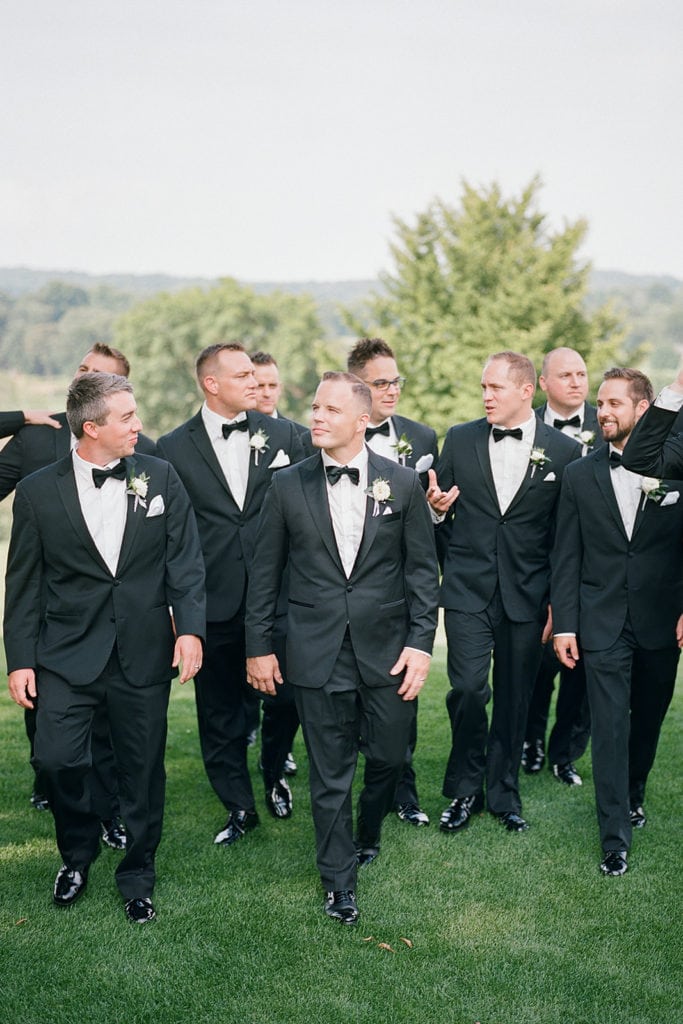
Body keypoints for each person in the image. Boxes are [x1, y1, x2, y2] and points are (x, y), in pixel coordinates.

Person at [4, 373, 205, 921]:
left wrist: (189, 628)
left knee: (142, 770)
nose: (139, 425)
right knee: (57, 759)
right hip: (66, 655)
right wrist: (20, 659)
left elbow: (184, 561)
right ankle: (76, 854)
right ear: (91, 428)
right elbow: (24, 582)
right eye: (127, 417)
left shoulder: (161, 477)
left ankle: (138, 873)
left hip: (142, 652)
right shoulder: (40, 491)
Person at [245, 371, 439, 924]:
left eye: (330, 410)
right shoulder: (286, 486)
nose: (317, 417)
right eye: (314, 408)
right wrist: (259, 647)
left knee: (387, 756)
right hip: (315, 649)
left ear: (361, 419)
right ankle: (338, 882)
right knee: (330, 772)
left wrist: (421, 646)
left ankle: (370, 827)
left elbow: (424, 573)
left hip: (388, 650)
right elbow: (265, 575)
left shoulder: (401, 484)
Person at [0, 342, 157, 846]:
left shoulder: (147, 457)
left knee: (114, 744)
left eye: (102, 376)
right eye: (84, 371)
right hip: (58, 628)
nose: (85, 379)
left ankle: (108, 819)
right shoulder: (34, 441)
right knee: (56, 752)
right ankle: (66, 807)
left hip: (125, 632)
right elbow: (22, 576)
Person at [427, 351, 581, 834]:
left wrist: (560, 604)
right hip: (468, 590)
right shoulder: (461, 437)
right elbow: (440, 506)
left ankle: (503, 793)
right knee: (469, 689)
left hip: (529, 596)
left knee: (516, 698)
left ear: (525, 390)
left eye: (494, 387)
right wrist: (435, 509)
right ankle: (464, 789)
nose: (486, 396)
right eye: (483, 388)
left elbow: (565, 538)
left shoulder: (563, 452)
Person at [157, 343, 305, 843]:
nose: (254, 382)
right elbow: (169, 539)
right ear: (211, 384)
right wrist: (181, 613)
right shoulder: (171, 448)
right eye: (242, 375)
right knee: (218, 713)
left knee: (286, 699)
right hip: (211, 602)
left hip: (279, 597)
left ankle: (272, 767)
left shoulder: (286, 435)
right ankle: (239, 808)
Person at [552, 368, 683, 876]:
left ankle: (633, 794)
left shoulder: (672, 465)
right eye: (600, 403)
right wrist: (565, 623)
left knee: (646, 720)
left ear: (643, 410)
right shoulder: (579, 475)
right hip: (600, 619)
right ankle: (614, 838)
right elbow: (566, 555)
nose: (602, 411)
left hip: (660, 618)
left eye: (613, 403)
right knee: (608, 726)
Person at [347, 337, 439, 827]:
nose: (392, 390)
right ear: (358, 388)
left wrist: (437, 513)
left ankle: (404, 791)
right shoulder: (322, 439)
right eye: (381, 382)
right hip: (349, 591)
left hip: (401, 591)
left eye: (396, 381)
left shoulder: (422, 438)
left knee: (403, 694)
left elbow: (424, 530)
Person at [523, 347, 603, 785]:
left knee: (583, 671)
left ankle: (565, 752)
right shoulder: (525, 425)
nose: (576, 382)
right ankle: (529, 740)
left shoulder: (607, 423)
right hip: (535, 572)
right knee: (535, 666)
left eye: (581, 373)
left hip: (593, 572)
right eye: (566, 375)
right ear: (543, 383)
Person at [249, 350, 305, 780]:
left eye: (272, 385)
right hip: (229, 577)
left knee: (279, 685)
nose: (265, 392)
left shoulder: (300, 437)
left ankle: (276, 752)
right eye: (258, 385)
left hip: (286, 580)